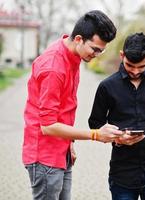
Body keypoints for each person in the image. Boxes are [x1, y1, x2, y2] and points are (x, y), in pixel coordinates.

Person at [22, 10, 123, 200]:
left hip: (61, 151)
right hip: (45, 157)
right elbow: (48, 125)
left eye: (102, 50)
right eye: (95, 49)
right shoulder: (54, 67)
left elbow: (63, 110)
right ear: (78, 39)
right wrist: (95, 134)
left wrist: (69, 143)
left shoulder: (73, 57)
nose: (97, 55)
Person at [88, 32, 145, 200]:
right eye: (130, 65)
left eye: (141, 66)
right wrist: (117, 138)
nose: (135, 71)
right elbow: (95, 123)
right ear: (122, 55)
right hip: (122, 173)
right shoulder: (106, 86)